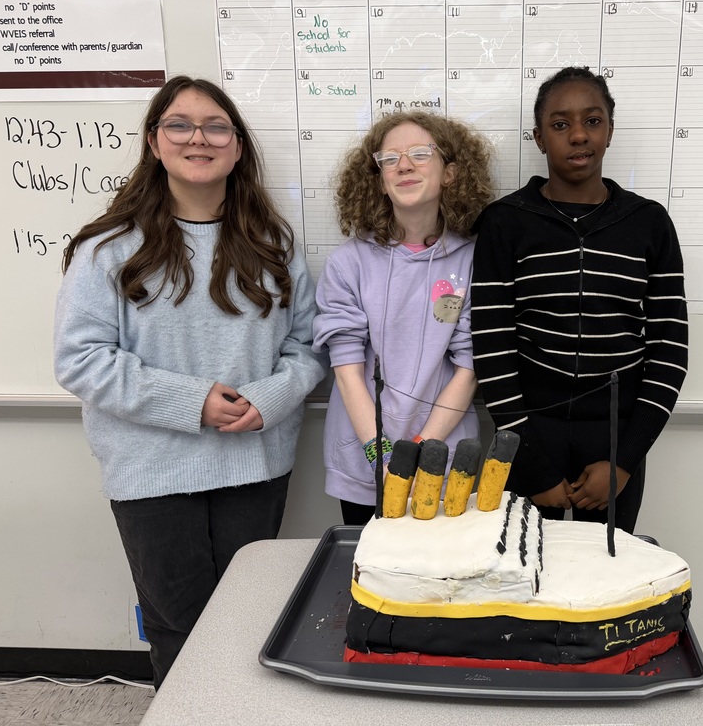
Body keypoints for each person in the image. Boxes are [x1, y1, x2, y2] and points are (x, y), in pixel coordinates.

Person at [53, 76, 328, 688]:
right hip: (150, 470)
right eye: (179, 125)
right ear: (155, 142)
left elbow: (307, 346)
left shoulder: (275, 242)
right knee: (178, 623)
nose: (197, 138)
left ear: (236, 147)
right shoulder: (107, 248)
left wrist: (272, 395)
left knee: (248, 617)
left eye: (215, 127)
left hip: (254, 466)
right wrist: (193, 400)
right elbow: (80, 358)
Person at [471, 66, 688, 533]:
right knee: (524, 572)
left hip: (616, 435)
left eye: (592, 121)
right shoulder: (505, 222)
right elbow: (492, 345)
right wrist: (529, 459)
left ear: (610, 130)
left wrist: (624, 461)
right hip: (529, 428)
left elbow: (670, 351)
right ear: (539, 137)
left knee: (606, 579)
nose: (578, 136)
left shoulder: (648, 224)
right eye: (560, 124)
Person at [313, 111, 495, 525]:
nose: (404, 165)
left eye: (419, 153)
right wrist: (382, 456)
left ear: (451, 173)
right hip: (364, 463)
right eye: (389, 159)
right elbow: (346, 371)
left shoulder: (474, 262)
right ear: (378, 180)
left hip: (444, 460)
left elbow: (469, 368)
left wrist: (422, 450)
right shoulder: (348, 264)